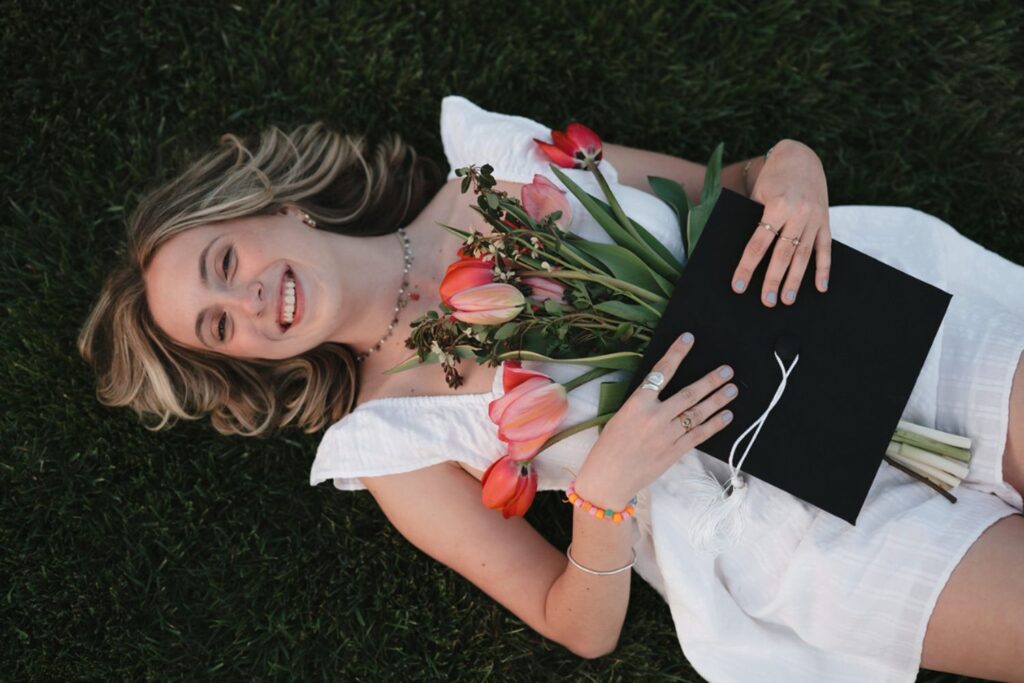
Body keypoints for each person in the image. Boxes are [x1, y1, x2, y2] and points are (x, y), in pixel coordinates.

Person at [78, 95, 1024, 682]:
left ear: (271, 211)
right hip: (782, 524)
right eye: (219, 327)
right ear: (247, 360)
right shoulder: (393, 441)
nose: (245, 301)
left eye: (223, 260)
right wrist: (606, 497)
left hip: (843, 326)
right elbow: (575, 628)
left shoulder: (498, 167)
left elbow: (734, 183)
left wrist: (794, 167)